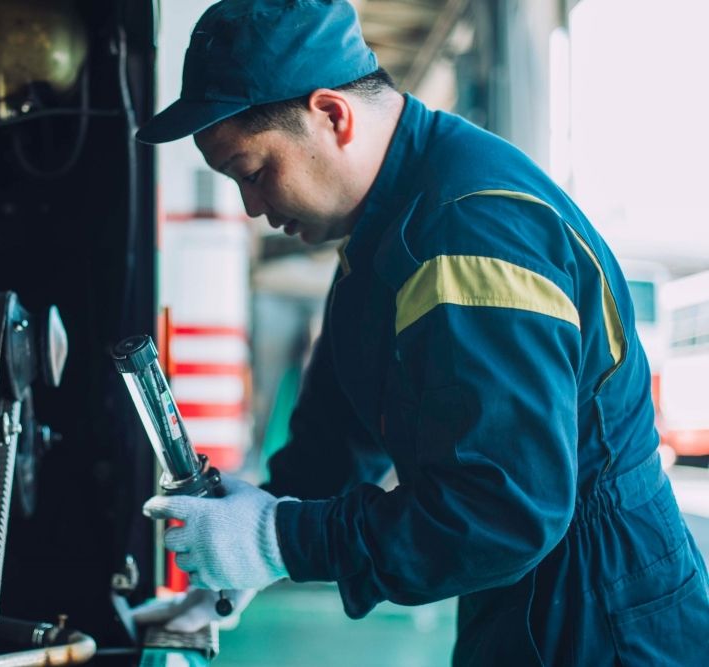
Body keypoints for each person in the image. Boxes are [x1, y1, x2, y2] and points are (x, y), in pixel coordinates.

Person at [132, 0, 709, 663]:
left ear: (332, 115)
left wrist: (281, 539)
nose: (253, 208)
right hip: (526, 601)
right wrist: (250, 540)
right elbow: (338, 437)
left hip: (603, 616)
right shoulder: (386, 234)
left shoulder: (467, 232)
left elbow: (502, 512)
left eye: (255, 173)